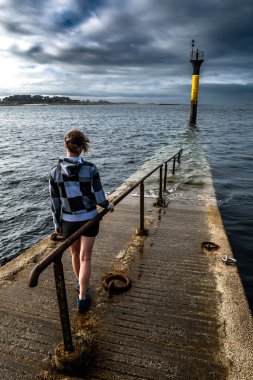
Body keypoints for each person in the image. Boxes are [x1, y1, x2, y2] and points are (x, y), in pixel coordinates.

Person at [49, 128, 114, 312]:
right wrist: (106, 205)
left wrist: (56, 224)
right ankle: (82, 296)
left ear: (66, 146)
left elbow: (55, 202)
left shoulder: (54, 171)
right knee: (86, 257)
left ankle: (80, 284)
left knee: (75, 254)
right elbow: (99, 195)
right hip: (89, 219)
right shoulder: (90, 168)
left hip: (68, 221)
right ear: (82, 147)